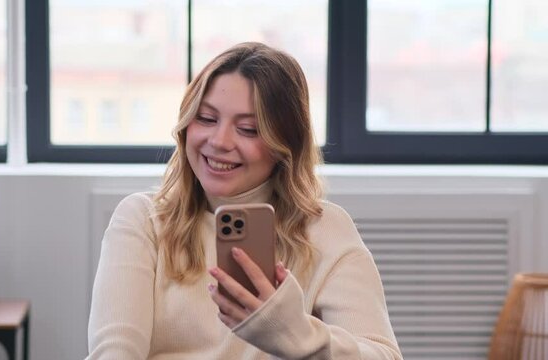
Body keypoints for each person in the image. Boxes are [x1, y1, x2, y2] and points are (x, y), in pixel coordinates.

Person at [87, 42, 402, 359]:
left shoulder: (325, 229)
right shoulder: (142, 221)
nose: (219, 142)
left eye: (248, 129)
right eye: (207, 119)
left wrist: (298, 336)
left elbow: (384, 354)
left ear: (285, 145)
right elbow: (114, 351)